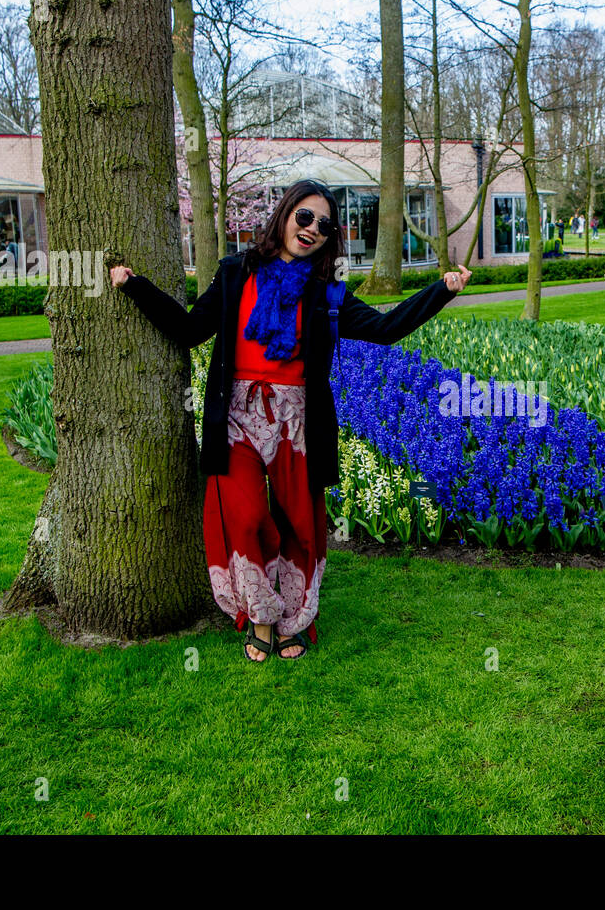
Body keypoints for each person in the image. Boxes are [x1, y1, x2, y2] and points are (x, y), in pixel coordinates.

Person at [111, 179, 472, 662]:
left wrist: (441, 291)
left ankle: (292, 621)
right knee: (246, 515)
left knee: (300, 521)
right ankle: (261, 614)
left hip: (297, 420)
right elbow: (190, 329)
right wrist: (136, 287)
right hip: (237, 414)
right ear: (284, 214)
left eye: (324, 225)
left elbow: (386, 329)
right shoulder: (235, 273)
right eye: (305, 216)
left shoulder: (327, 294)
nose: (313, 229)